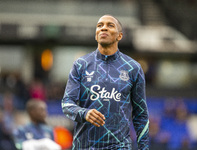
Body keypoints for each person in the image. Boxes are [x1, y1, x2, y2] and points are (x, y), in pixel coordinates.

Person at [62, 14, 149, 150]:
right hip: (85, 146)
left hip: (119, 147)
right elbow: (67, 104)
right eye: (99, 26)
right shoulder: (81, 65)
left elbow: (141, 114)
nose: (104, 28)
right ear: (96, 35)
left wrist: (144, 148)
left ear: (119, 36)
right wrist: (84, 113)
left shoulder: (133, 68)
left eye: (110, 25)